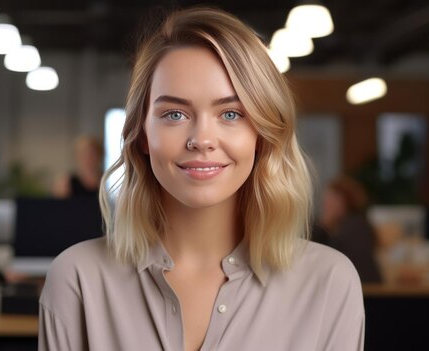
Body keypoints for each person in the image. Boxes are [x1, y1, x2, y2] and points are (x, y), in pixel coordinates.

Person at [39, 7, 364, 351]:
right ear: (143, 135)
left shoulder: (328, 282)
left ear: (263, 134)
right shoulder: (77, 280)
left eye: (231, 113)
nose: (202, 139)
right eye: (174, 114)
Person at [314, 176, 382, 283]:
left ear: (344, 202)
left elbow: (326, 258)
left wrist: (322, 227)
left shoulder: (355, 229)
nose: (325, 205)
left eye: (331, 199)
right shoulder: (353, 225)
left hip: (367, 291)